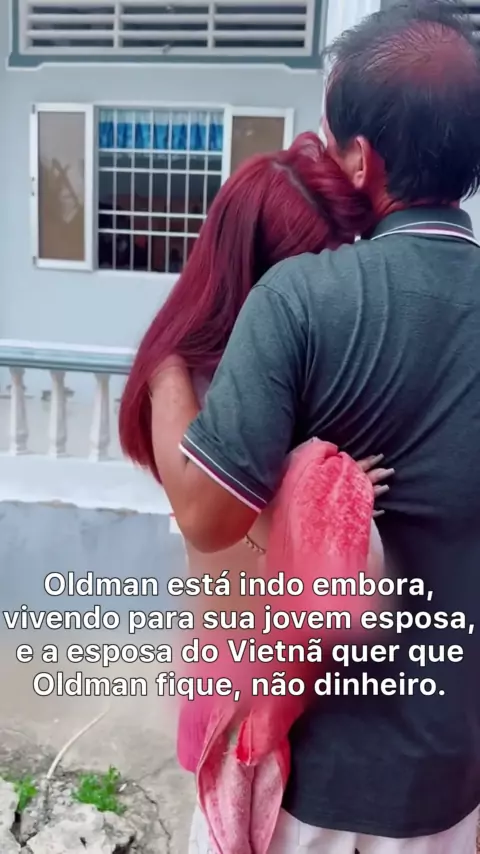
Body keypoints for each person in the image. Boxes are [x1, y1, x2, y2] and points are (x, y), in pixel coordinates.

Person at [132, 0, 480, 851]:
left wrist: (165, 362)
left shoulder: (302, 301)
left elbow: (206, 516)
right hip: (452, 784)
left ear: (363, 157)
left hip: (303, 785)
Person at [119, 133, 391, 851]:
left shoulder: (311, 361)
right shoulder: (182, 377)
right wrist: (321, 489)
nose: (339, 290)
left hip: (307, 687)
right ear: (264, 273)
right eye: (321, 266)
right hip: (237, 684)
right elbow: (209, 517)